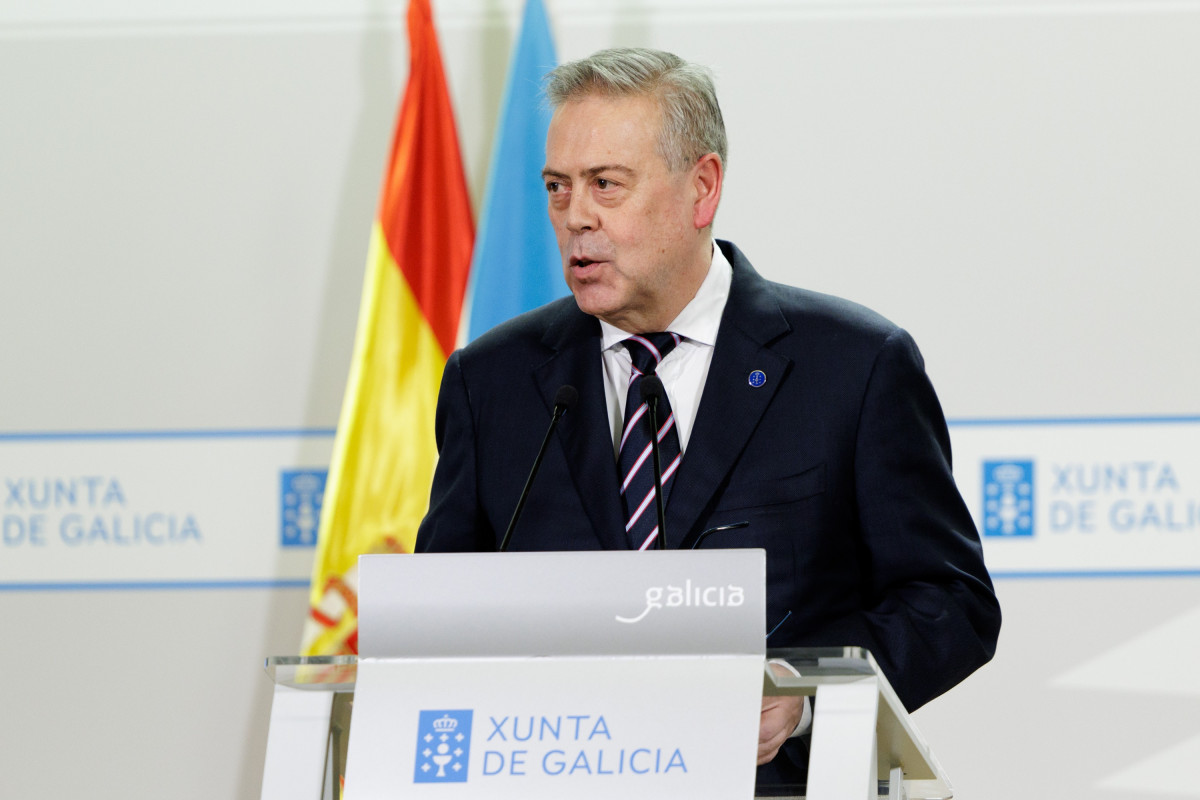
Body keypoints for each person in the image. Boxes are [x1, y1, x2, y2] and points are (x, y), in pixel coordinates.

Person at [415, 47, 1000, 787]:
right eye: (558, 189)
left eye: (607, 185)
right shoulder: (492, 382)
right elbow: (433, 623)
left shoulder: (853, 366)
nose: (575, 218)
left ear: (702, 188)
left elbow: (951, 602)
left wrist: (804, 690)